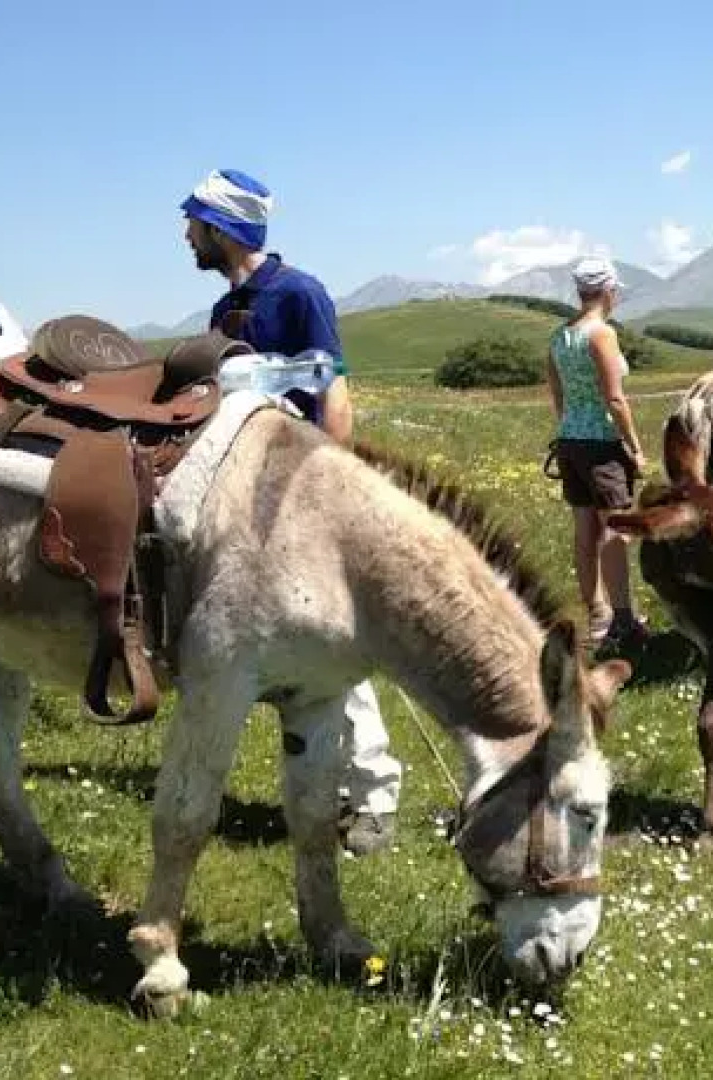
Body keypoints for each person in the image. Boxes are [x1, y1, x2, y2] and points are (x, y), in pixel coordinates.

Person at [180, 168, 402, 857]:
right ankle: (320, 785)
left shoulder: (299, 293)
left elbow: (333, 390)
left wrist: (331, 489)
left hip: (302, 494)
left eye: (194, 222)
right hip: (245, 498)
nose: (186, 233)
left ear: (221, 228)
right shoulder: (225, 312)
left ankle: (372, 797)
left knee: (329, 645)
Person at [545, 256, 650, 651]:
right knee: (616, 529)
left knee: (585, 530)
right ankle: (624, 621)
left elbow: (557, 393)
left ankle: (597, 613)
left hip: (570, 439)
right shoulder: (601, 334)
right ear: (608, 291)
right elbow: (615, 398)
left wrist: (568, 426)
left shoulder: (559, 337)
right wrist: (635, 447)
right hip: (602, 442)